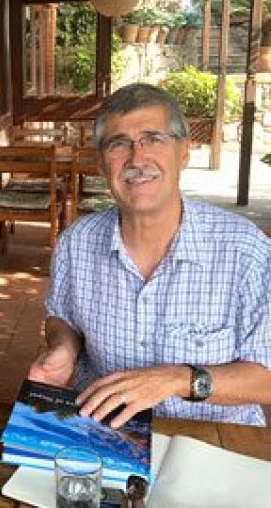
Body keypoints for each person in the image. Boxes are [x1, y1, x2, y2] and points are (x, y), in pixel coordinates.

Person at [29, 83, 271, 427]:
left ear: (184, 152)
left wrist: (176, 379)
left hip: (213, 442)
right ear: (101, 162)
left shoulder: (245, 250)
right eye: (119, 144)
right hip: (106, 436)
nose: (137, 159)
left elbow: (267, 378)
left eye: (153, 139)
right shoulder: (75, 244)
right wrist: (63, 349)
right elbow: (61, 316)